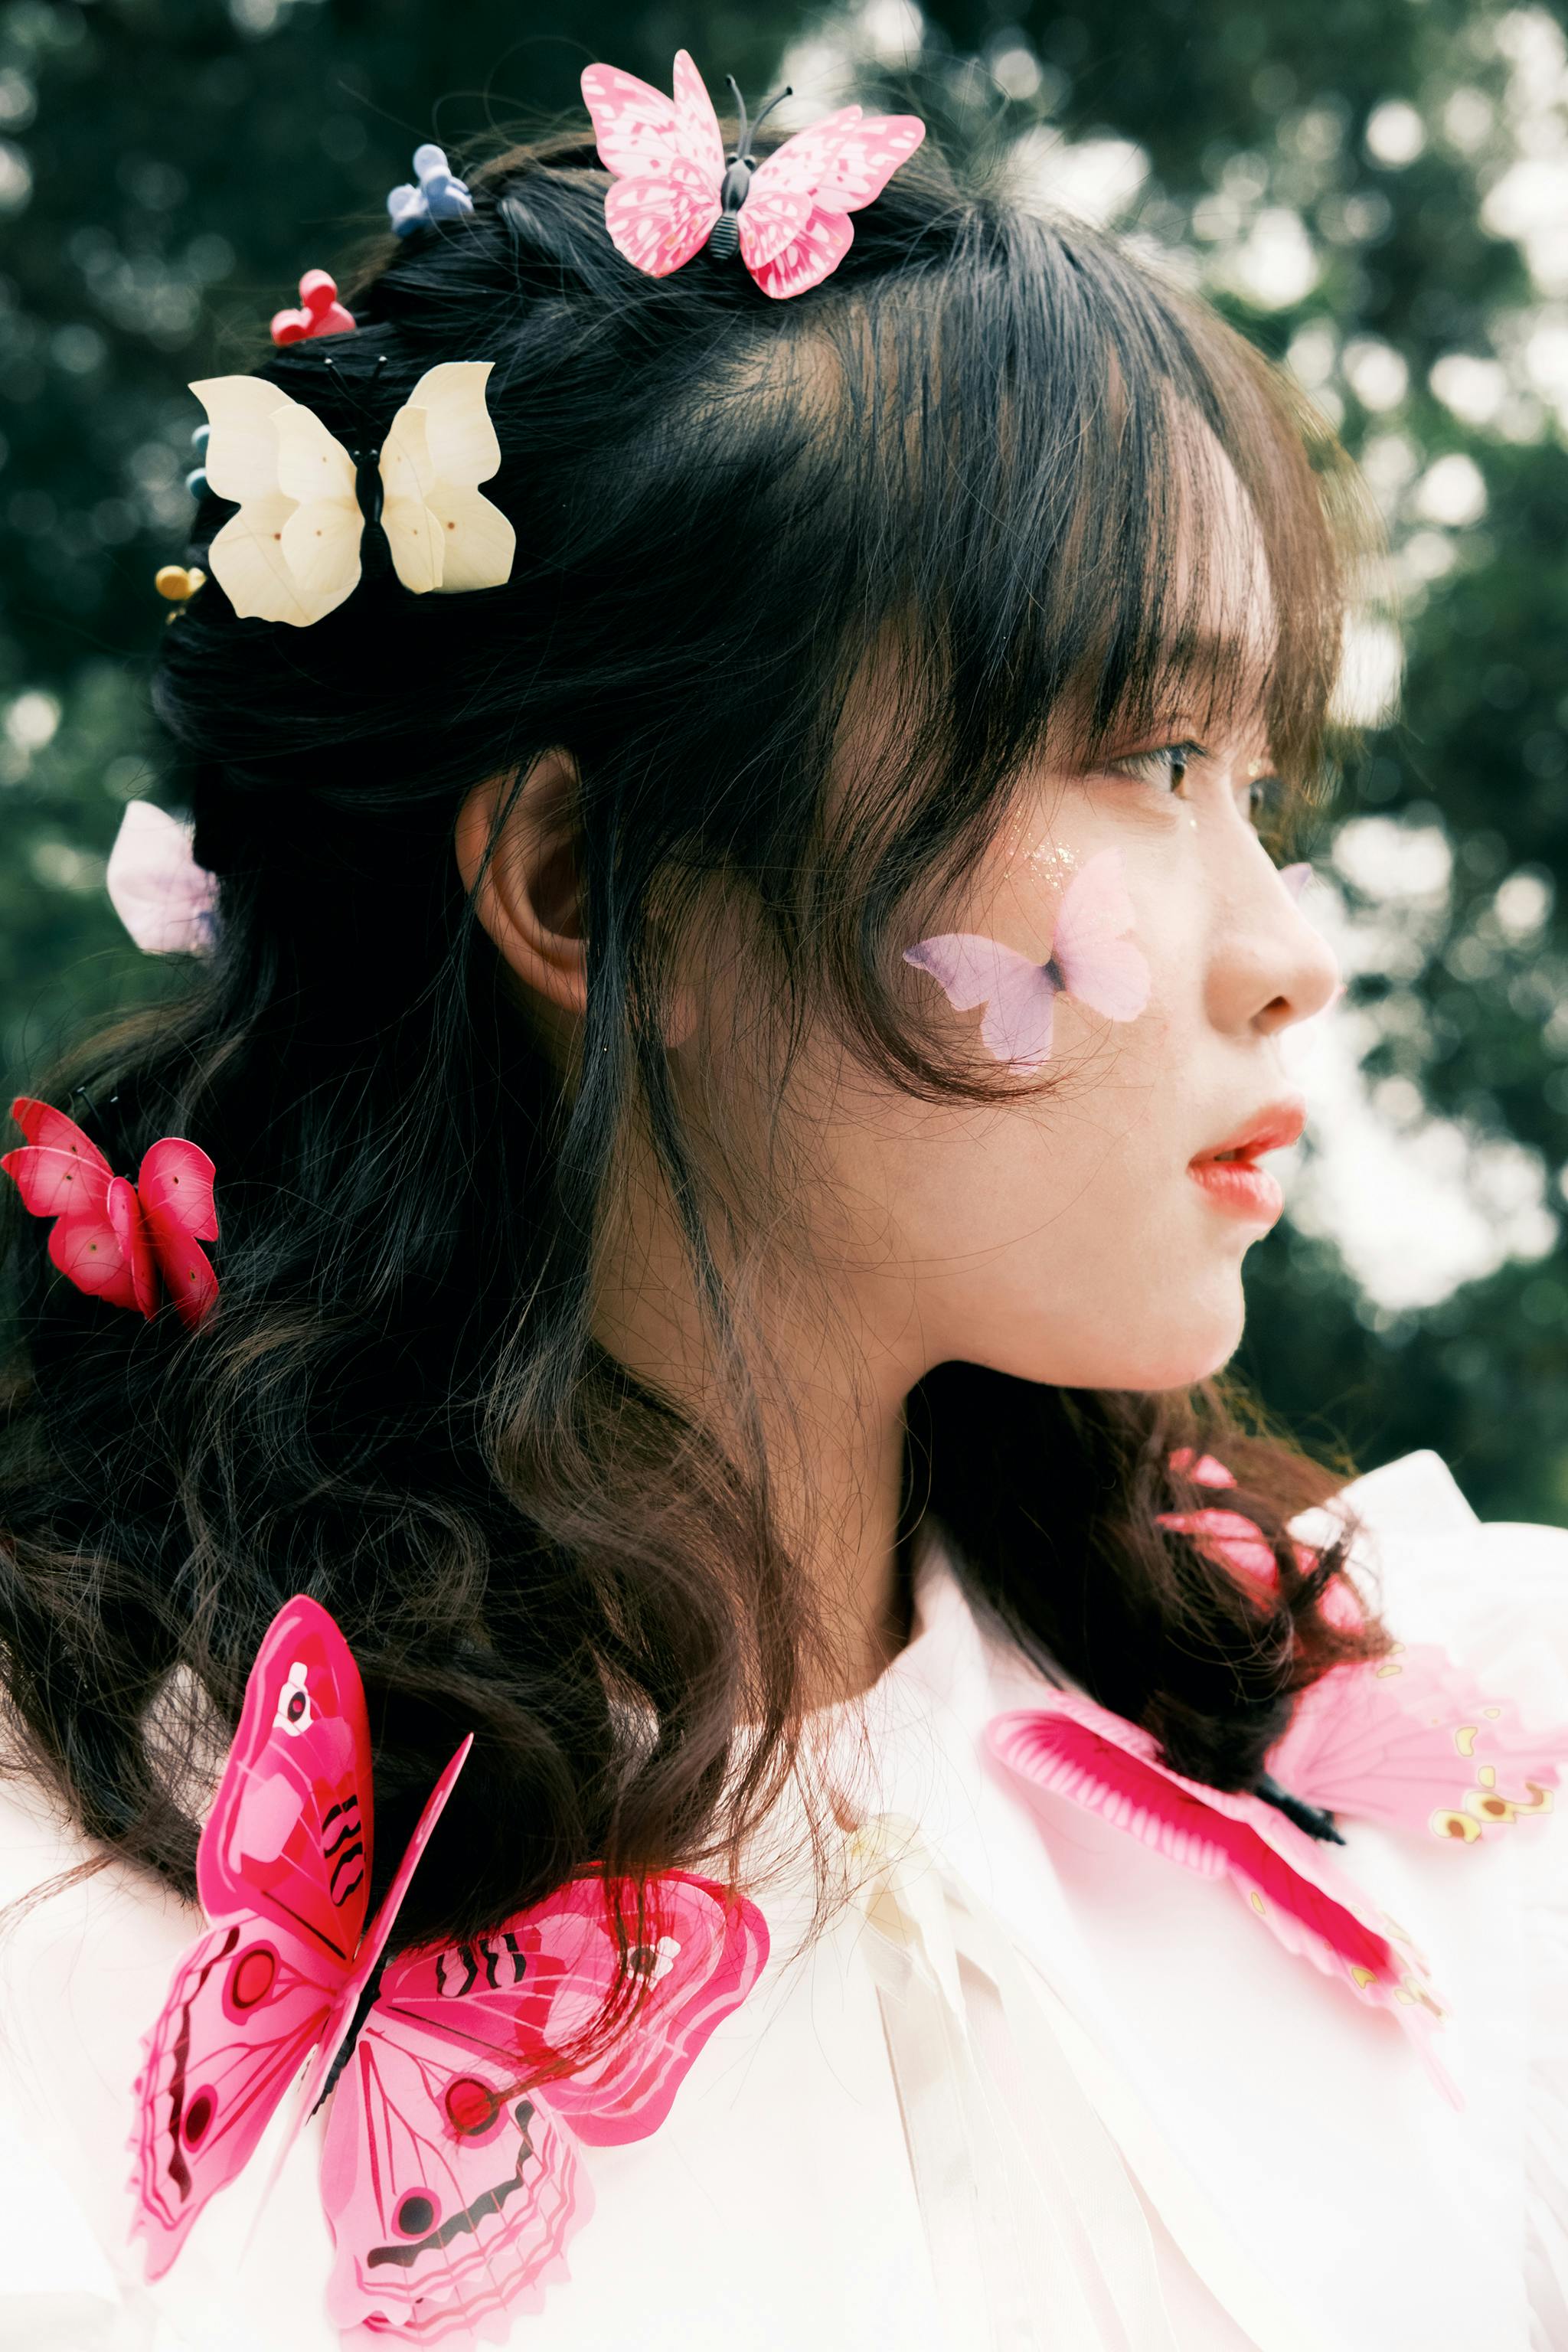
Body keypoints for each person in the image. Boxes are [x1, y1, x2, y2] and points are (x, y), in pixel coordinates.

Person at [1, 55, 1565, 2352]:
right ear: (576, 880)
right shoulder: (74, 1922)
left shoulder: (1435, 1743)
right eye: (1140, 758)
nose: (1290, 943)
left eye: (1256, 781)